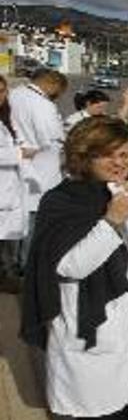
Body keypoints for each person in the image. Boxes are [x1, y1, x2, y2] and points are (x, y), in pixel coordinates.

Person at [18, 115, 128, 420]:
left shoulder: (127, 194)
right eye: (109, 155)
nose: (120, 163)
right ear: (84, 156)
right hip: (91, 337)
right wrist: (111, 222)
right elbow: (71, 265)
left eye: (126, 154)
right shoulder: (61, 201)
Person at [8, 68, 68, 271]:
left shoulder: (13, 95)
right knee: (32, 222)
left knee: (14, 218)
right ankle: (25, 267)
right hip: (40, 169)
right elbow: (52, 137)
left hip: (14, 166)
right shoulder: (43, 105)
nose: (58, 95)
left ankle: (11, 264)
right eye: (59, 90)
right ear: (52, 84)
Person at [0, 74, 38, 290]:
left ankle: (8, 277)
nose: (1, 96)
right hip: (4, 188)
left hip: (10, 188)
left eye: (4, 91)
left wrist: (22, 147)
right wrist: (19, 153)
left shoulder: (6, 117)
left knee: (8, 241)